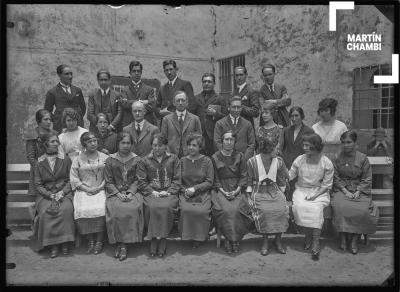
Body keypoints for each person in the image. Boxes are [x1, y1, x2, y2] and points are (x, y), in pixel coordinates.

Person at [331, 130, 378, 254]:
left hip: (360, 190)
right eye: (343, 142)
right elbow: (335, 177)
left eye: (349, 142)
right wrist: (345, 191)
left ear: (355, 143)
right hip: (342, 189)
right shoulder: (337, 157)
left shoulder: (363, 158)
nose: (346, 145)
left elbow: (367, 177)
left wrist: (358, 191)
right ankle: (343, 237)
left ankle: (354, 239)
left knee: (362, 209)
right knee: (340, 206)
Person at [288, 134, 334, 261]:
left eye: (307, 145)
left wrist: (315, 195)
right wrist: (278, 170)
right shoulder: (300, 159)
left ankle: (315, 242)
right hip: (301, 191)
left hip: (320, 192)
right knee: (300, 207)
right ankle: (307, 236)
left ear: (316, 146)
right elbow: (290, 175)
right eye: (303, 145)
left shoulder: (326, 162)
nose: (304, 148)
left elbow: (327, 185)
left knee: (316, 209)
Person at [137, 133, 181, 257]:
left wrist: (168, 191)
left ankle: (162, 238)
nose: (157, 148)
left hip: (169, 192)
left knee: (166, 207)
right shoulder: (144, 160)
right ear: (151, 146)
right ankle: (153, 239)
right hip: (152, 192)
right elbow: (141, 181)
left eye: (160, 146)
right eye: (155, 145)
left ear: (166, 146)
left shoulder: (174, 159)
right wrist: (153, 191)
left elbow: (177, 179)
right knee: (151, 207)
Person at [32, 130, 75, 258]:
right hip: (46, 196)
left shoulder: (65, 159)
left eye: (57, 141)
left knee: (66, 209)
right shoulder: (39, 162)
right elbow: (38, 184)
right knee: (46, 213)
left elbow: (70, 179)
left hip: (64, 193)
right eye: (52, 141)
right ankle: (53, 245)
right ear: (45, 144)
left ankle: (65, 243)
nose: (56, 143)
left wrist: (62, 192)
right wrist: (49, 195)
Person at [246, 136, 289, 256]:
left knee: (282, 209)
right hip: (258, 191)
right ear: (269, 149)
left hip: (274, 190)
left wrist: (282, 193)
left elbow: (281, 180)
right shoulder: (252, 162)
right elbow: (248, 180)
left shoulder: (279, 161)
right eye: (276, 149)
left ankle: (278, 240)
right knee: (265, 211)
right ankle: (265, 241)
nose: (278, 151)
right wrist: (248, 197)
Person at [104, 132, 144, 261]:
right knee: (115, 209)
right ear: (118, 144)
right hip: (115, 192)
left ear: (132, 144)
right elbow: (108, 181)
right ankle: (120, 243)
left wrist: (131, 192)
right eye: (123, 143)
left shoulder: (137, 159)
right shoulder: (110, 159)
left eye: (128, 143)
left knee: (131, 209)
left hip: (133, 192)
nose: (126, 146)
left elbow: (139, 180)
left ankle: (125, 243)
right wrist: (118, 193)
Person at [211, 130, 252, 254]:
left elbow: (244, 176)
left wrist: (237, 191)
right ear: (222, 141)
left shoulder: (240, 156)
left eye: (231, 140)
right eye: (226, 139)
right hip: (220, 189)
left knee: (237, 209)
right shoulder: (215, 157)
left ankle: (235, 239)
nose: (229, 142)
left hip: (237, 189)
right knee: (225, 210)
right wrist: (223, 191)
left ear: (235, 142)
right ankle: (229, 239)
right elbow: (215, 178)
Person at [70, 132, 108, 255]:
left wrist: (100, 187)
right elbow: (74, 178)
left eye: (94, 140)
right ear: (84, 144)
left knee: (102, 207)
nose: (93, 143)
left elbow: (109, 175)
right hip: (84, 190)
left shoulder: (104, 157)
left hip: (101, 188)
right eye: (89, 141)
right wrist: (87, 189)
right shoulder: (77, 159)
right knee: (82, 208)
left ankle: (99, 240)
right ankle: (90, 239)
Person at [179, 134, 214, 249]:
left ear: (200, 147)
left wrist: (195, 189)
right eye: (189, 145)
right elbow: (178, 180)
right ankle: (188, 236)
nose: (191, 148)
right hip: (186, 193)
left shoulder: (207, 161)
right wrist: (185, 190)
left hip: (202, 192)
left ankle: (199, 237)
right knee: (186, 210)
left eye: (194, 145)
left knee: (202, 211)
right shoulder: (182, 161)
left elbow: (209, 181)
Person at [279, 106, 314, 201]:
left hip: (302, 165)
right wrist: (283, 163)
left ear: (302, 116)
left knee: (299, 193)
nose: (294, 119)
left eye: (296, 116)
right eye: (292, 116)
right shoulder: (286, 130)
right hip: (287, 165)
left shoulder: (309, 131)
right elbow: (280, 148)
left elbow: (312, 150)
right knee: (287, 192)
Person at [190, 73, 228, 156]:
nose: (206, 83)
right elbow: (191, 116)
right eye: (204, 81)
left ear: (214, 83)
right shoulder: (196, 98)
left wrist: (216, 113)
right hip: (199, 134)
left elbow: (226, 118)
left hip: (214, 135)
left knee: (214, 159)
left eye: (209, 81)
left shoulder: (220, 98)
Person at [44, 64, 86, 133]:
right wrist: (58, 119)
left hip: (77, 125)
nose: (70, 76)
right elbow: (47, 111)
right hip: (61, 127)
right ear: (59, 75)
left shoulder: (77, 90)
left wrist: (77, 117)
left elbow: (83, 108)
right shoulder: (52, 92)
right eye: (67, 74)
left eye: (71, 74)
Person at [161, 91, 202, 158]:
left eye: (183, 100)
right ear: (174, 103)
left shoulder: (195, 119)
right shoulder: (166, 119)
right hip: (171, 156)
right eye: (178, 100)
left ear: (187, 102)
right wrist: (168, 154)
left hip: (190, 156)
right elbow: (163, 139)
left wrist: (193, 152)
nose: (180, 103)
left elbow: (199, 139)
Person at [214, 96, 255, 161]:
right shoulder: (220, 123)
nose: (236, 110)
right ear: (229, 108)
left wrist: (243, 159)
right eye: (234, 107)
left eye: (238, 107)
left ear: (241, 108)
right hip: (225, 160)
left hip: (243, 161)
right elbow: (217, 142)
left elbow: (251, 144)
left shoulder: (247, 124)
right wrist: (226, 156)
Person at [119, 61, 158, 128]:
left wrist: (130, 102)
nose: (136, 73)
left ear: (141, 72)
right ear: (130, 73)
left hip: (146, 125)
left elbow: (152, 106)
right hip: (129, 124)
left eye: (138, 71)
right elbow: (124, 104)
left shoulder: (149, 89)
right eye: (134, 71)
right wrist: (142, 102)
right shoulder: (125, 90)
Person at [25, 109, 53, 197]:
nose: (49, 122)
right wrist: (41, 170)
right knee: (39, 201)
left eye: (50, 119)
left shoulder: (54, 134)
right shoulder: (32, 135)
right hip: (38, 173)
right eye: (46, 119)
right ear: (39, 121)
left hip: (53, 172)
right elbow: (31, 157)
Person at [87, 69, 122, 134]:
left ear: (110, 80)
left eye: (105, 80)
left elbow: (119, 113)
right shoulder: (92, 94)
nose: (103, 82)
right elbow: (89, 114)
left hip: (112, 130)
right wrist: (100, 125)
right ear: (98, 81)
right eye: (101, 80)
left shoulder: (117, 95)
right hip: (95, 130)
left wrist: (111, 126)